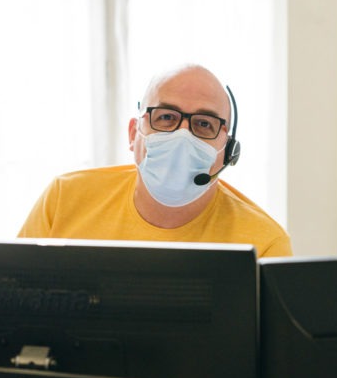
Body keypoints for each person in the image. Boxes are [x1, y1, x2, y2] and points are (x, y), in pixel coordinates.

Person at [18, 64, 292, 257]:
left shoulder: (265, 244)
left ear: (228, 151)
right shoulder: (64, 200)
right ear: (132, 133)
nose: (182, 135)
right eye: (166, 117)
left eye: (203, 124)